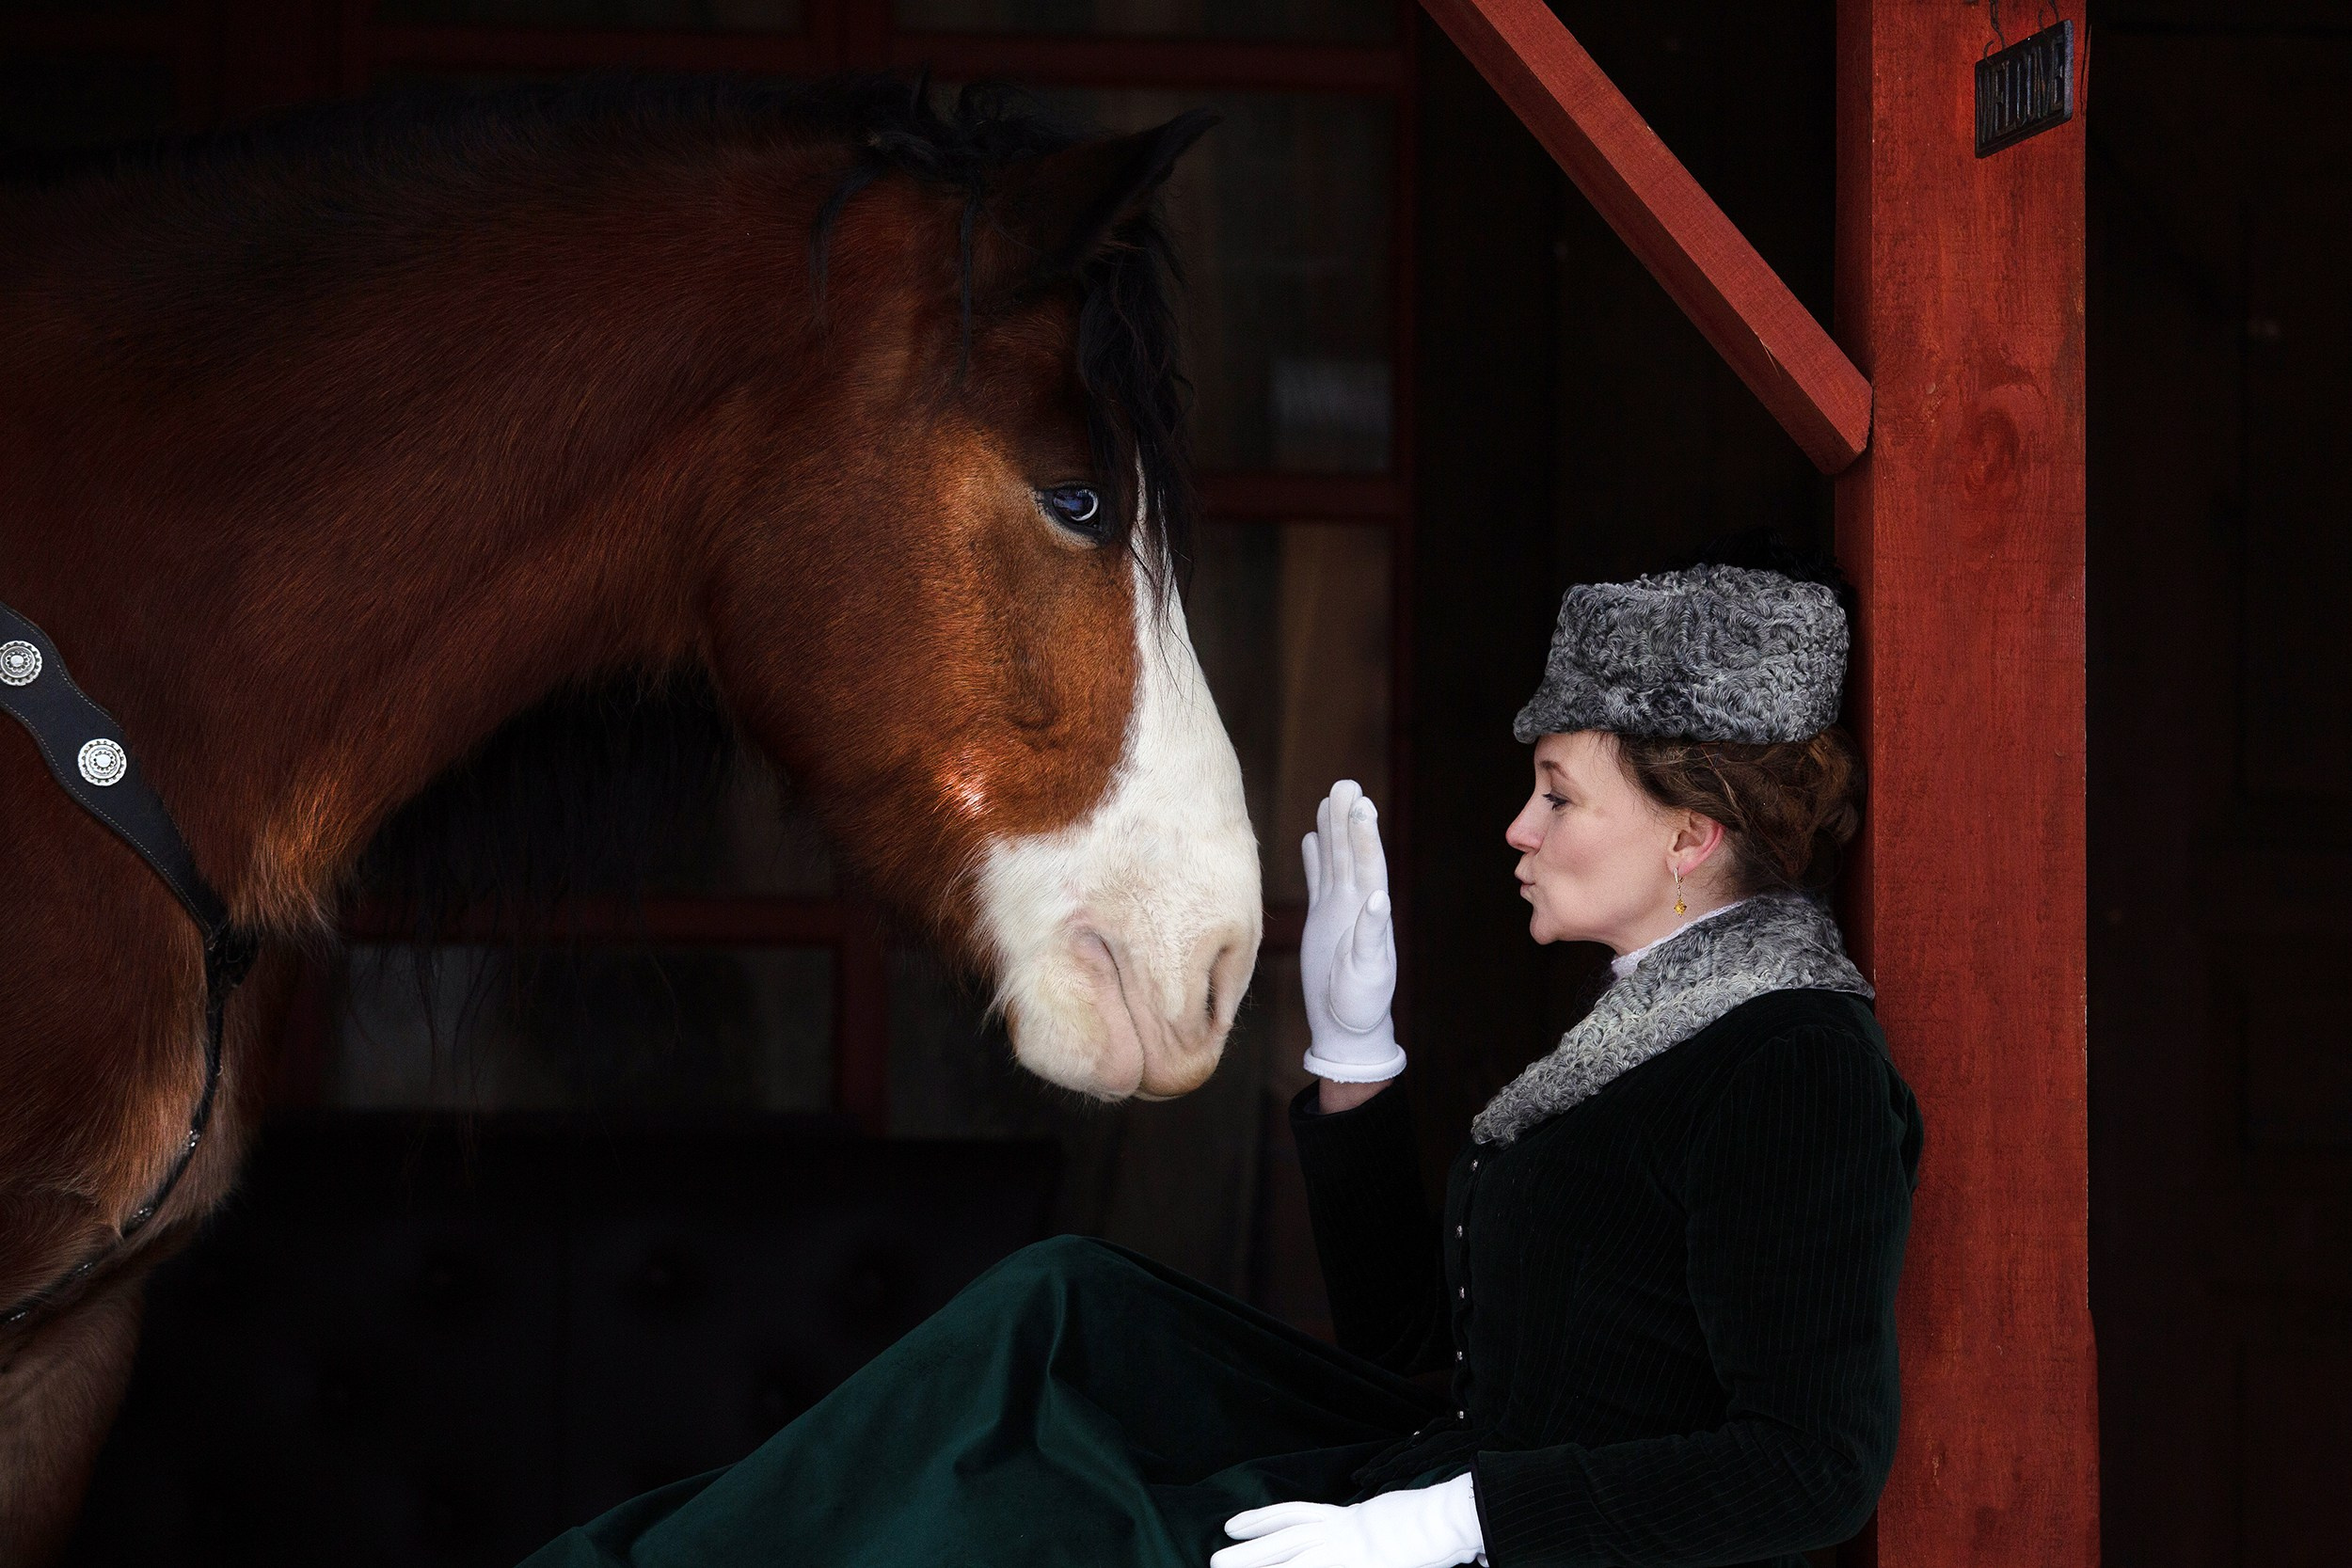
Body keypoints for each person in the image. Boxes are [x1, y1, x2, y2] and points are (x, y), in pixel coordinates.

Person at [522, 561, 1923, 1568]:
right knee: (1059, 1308)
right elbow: (1423, 1358)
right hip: (1407, 1484)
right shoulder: (1653, 1027)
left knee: (1075, 1523)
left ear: (1691, 836)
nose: (1518, 828)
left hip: (1479, 1536)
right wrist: (1355, 1063)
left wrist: (1443, 1527)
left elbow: (1811, 1466)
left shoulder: (1794, 1065)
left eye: (1559, 795)